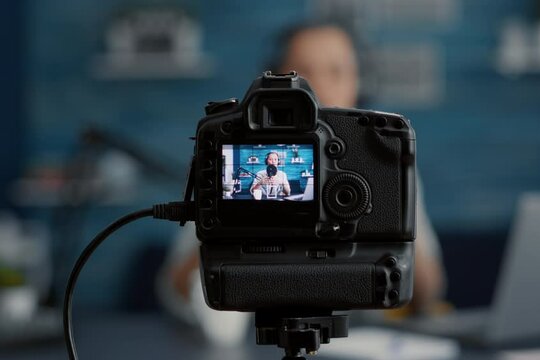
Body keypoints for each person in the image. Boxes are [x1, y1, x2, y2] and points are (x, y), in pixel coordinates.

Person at [157, 21, 446, 344]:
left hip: (363, 341)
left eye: (336, 71)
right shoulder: (232, 149)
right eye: (304, 72)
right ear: (274, 81)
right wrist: (229, 225)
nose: (320, 85)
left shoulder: (383, 157)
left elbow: (429, 291)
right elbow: (175, 289)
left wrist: (396, 220)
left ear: (358, 81)